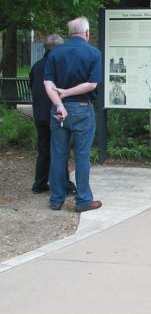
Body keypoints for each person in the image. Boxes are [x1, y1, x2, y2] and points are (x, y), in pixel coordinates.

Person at [44, 17, 102, 212]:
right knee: (82, 155)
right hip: (82, 108)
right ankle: (84, 200)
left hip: (59, 110)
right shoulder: (93, 53)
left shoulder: (55, 52)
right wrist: (68, 93)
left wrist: (60, 104)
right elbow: (92, 84)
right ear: (86, 33)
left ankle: (56, 199)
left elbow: (47, 83)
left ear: (69, 33)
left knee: (58, 155)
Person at [29, 34, 76, 195]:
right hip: (55, 113)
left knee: (43, 150)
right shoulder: (60, 66)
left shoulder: (36, 66)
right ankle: (64, 185)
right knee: (60, 149)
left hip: (39, 114)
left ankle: (39, 183)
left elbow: (32, 87)